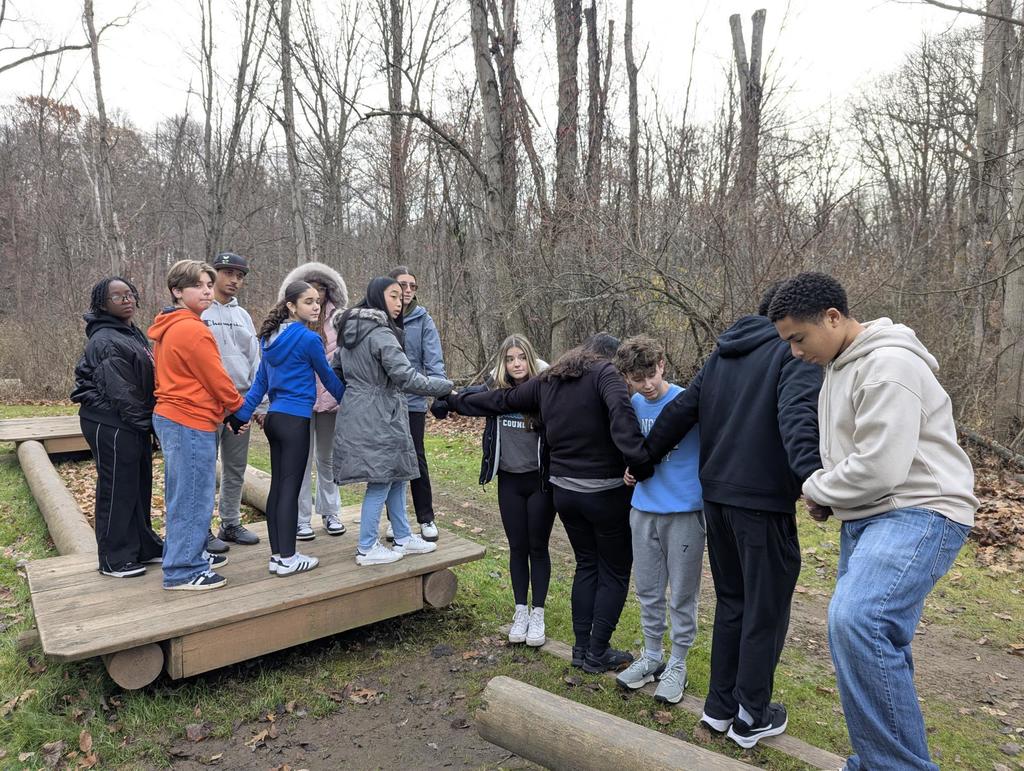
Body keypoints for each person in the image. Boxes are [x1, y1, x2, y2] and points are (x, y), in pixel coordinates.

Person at [768, 272, 978, 771]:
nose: (795, 352)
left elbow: (881, 466)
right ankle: (882, 762)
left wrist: (817, 489)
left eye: (799, 338)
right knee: (873, 639)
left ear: (834, 318)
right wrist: (834, 496)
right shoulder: (839, 365)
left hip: (921, 510)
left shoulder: (888, 363)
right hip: (871, 517)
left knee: (856, 620)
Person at [643, 285, 821, 748]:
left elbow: (679, 411)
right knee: (765, 610)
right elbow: (798, 417)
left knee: (733, 604)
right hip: (762, 505)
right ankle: (751, 716)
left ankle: (720, 707)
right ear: (782, 322)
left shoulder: (721, 356)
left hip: (717, 502)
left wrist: (642, 460)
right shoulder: (790, 354)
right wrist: (814, 484)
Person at [439, 334, 654, 674]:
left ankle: (582, 649)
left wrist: (453, 401)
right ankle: (597, 651)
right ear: (609, 358)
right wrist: (641, 463)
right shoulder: (605, 374)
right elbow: (621, 414)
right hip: (604, 492)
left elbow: (500, 400)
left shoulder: (550, 379)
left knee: (586, 565)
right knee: (612, 571)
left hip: (564, 492)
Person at [435, 335, 554, 646]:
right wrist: (446, 399)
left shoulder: (545, 391)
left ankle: (537, 612)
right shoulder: (495, 392)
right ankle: (520, 612)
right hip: (510, 482)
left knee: (537, 547)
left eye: (521, 358)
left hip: (539, 482)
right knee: (517, 547)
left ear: (530, 359)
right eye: (510, 358)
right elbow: (472, 399)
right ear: (503, 362)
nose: (516, 364)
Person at [331, 277, 453, 566]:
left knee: (397, 475)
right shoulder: (380, 332)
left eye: (402, 298)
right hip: (379, 414)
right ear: (377, 297)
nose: (400, 303)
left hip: (371, 411)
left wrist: (354, 396)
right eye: (394, 296)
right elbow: (406, 377)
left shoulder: (351, 331)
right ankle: (366, 547)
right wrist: (445, 386)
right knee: (381, 480)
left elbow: (336, 369)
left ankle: (402, 536)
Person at [227, 281, 347, 577]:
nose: (315, 307)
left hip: (274, 420)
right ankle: (289, 557)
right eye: (308, 302)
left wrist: (239, 416)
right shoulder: (309, 339)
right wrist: (353, 401)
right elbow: (328, 379)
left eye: (317, 302)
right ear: (291, 306)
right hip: (295, 422)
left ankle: (277, 556)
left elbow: (259, 386)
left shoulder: (269, 339)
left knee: (279, 489)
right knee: (289, 491)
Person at [612, 336, 704, 705]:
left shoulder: (687, 401)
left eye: (651, 374)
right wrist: (628, 471)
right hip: (643, 510)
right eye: (638, 377)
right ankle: (651, 655)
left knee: (682, 595)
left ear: (662, 366)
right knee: (648, 590)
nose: (647, 384)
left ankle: (678, 663)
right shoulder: (632, 405)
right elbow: (633, 450)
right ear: (628, 378)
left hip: (684, 512)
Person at [148, 260, 242, 591]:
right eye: (198, 285)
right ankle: (183, 569)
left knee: (185, 493)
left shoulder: (173, 323)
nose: (206, 291)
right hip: (187, 419)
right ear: (177, 291)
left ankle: (192, 551)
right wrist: (237, 408)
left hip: (179, 416)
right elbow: (216, 378)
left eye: (207, 285)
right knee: (191, 496)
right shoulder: (191, 329)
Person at [71, 277, 164, 577]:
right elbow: (122, 392)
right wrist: (152, 426)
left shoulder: (128, 331)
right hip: (109, 422)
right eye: (117, 296)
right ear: (102, 304)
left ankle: (143, 545)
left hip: (130, 422)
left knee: (139, 485)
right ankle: (114, 558)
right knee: (118, 489)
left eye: (130, 294)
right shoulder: (105, 339)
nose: (127, 300)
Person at [274, 262, 349, 541]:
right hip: (300, 403)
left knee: (328, 459)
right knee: (300, 460)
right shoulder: (286, 327)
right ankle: (301, 518)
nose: (316, 298)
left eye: (321, 292)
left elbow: (345, 361)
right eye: (310, 293)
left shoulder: (339, 320)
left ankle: (331, 512)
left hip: (331, 401)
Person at [202, 251, 262, 552]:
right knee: (202, 466)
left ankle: (230, 523)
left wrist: (254, 403)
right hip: (207, 402)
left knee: (235, 466)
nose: (235, 280)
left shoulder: (242, 316)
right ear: (213, 274)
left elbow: (254, 359)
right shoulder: (201, 311)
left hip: (240, 402)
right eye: (229, 273)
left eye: (240, 276)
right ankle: (201, 529)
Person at [387, 266, 446, 542]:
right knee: (388, 459)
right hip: (384, 402)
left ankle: (426, 518)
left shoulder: (423, 320)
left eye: (412, 286)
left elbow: (433, 360)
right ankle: (394, 520)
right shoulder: (381, 318)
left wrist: (439, 393)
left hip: (413, 401)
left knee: (415, 458)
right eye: (403, 286)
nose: (408, 290)